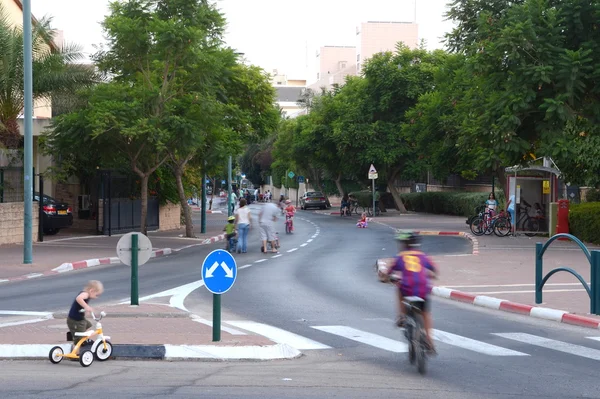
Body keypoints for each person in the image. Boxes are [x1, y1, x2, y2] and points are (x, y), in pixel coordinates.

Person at [384, 231, 438, 354]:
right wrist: (432, 275)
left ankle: (402, 316)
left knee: (398, 288)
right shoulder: (423, 256)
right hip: (423, 289)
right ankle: (429, 341)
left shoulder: (400, 257)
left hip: (407, 287)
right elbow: (434, 270)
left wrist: (387, 278)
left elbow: (389, 272)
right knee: (426, 313)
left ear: (403, 244)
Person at [67, 280, 104, 353]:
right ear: (92, 290)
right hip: (75, 320)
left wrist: (86, 310)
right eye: (96, 295)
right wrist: (87, 307)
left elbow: (80, 305)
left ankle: (85, 339)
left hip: (79, 319)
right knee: (79, 339)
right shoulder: (85, 294)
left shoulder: (87, 295)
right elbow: (78, 298)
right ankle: (75, 353)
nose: (96, 297)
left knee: (87, 324)